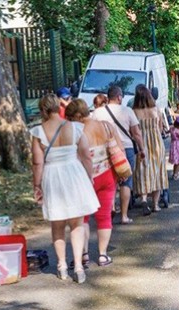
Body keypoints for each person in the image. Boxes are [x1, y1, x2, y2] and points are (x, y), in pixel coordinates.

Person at [30, 94, 99, 283]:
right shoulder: (75, 127)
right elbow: (86, 156)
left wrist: (37, 185)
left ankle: (61, 266)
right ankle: (78, 266)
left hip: (52, 176)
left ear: (43, 110)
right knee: (77, 224)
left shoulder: (38, 131)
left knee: (57, 224)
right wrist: (89, 177)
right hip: (74, 173)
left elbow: (37, 162)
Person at [67, 98, 123, 268]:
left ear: (77, 116)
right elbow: (119, 148)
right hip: (107, 175)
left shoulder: (75, 131)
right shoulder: (106, 126)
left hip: (84, 178)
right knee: (104, 216)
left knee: (82, 218)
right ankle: (102, 255)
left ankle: (83, 255)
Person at [92, 86, 146, 225]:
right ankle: (124, 215)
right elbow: (136, 133)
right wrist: (142, 148)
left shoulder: (97, 113)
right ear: (119, 97)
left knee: (110, 181)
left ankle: (111, 208)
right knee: (126, 182)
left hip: (104, 150)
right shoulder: (127, 111)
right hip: (125, 149)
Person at [132, 84, 169, 213]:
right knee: (157, 170)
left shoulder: (134, 111)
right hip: (156, 142)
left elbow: (133, 130)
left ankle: (143, 199)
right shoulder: (156, 109)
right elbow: (160, 127)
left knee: (142, 170)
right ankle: (155, 204)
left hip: (141, 142)